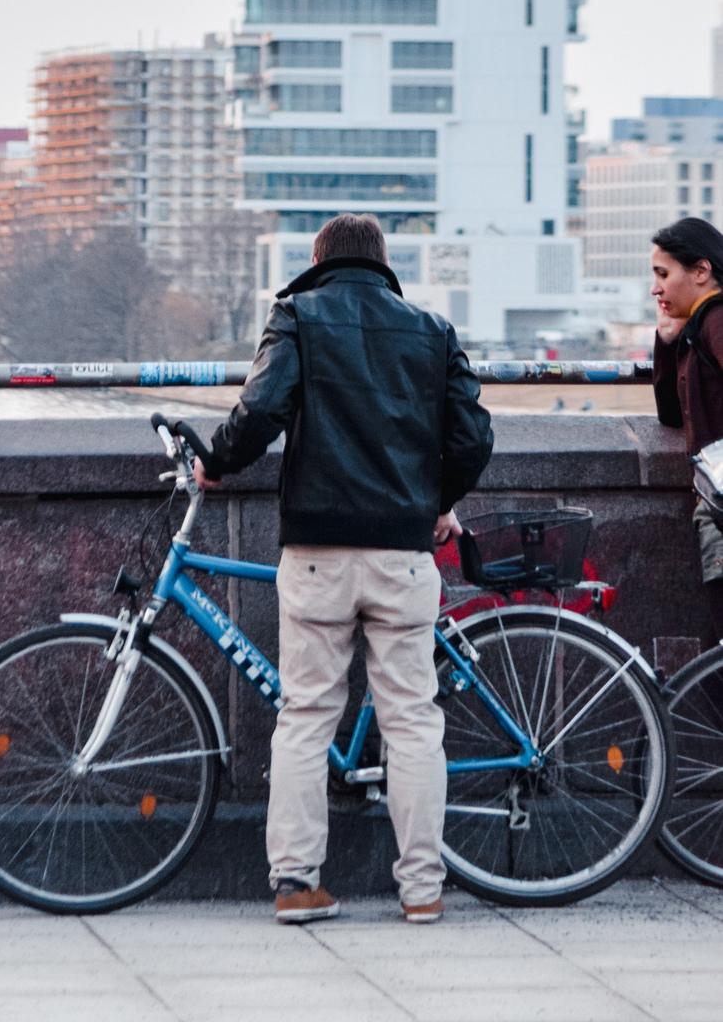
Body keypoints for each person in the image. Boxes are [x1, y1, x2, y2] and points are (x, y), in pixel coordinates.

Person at [194, 212, 493, 925]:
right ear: (382, 263)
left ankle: (297, 884)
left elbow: (260, 410)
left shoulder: (297, 315)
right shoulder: (429, 329)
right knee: (413, 722)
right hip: (401, 552)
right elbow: (474, 436)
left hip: (318, 551)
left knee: (305, 716)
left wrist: (217, 461)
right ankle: (421, 889)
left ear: (318, 258)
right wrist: (436, 499)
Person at [651, 216, 723, 643]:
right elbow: (671, 415)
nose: (655, 288)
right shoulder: (700, 328)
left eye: (664, 274)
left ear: (701, 271)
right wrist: (668, 339)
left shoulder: (716, 319)